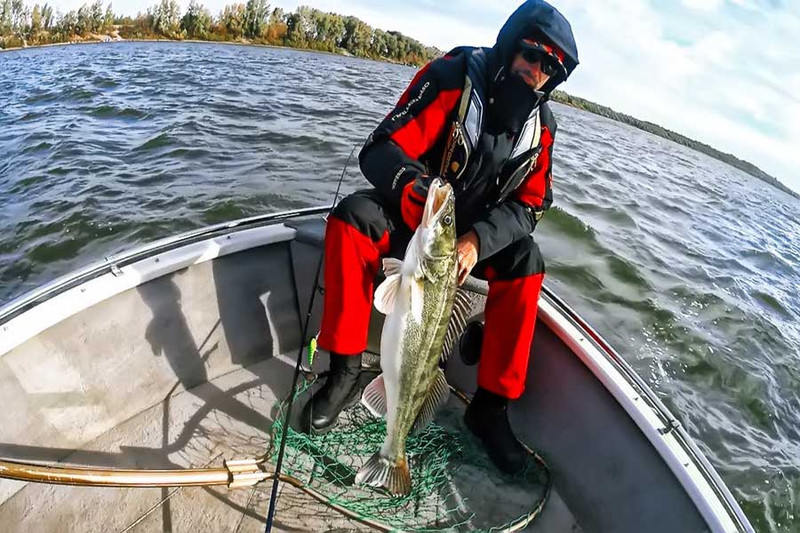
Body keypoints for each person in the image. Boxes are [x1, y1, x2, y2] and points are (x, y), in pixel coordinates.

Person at [302, 0, 579, 474]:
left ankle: (490, 407)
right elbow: (380, 148)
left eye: (550, 67)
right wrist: (414, 190)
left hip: (466, 242)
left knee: (527, 262)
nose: (537, 71)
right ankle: (344, 370)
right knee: (351, 218)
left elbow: (530, 207)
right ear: (511, 44)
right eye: (532, 55)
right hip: (418, 218)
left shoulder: (543, 128)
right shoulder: (453, 76)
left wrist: (477, 241)